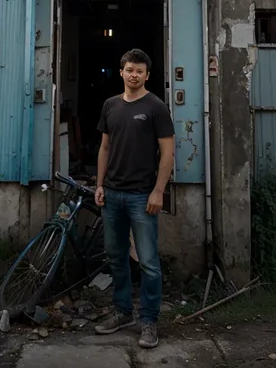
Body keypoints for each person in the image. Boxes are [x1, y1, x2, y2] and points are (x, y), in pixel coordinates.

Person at [94, 48, 175, 349]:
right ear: (121, 72)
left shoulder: (156, 107)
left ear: (147, 75)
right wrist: (99, 185)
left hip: (143, 196)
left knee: (149, 263)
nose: (134, 75)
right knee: (116, 258)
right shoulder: (111, 106)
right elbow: (104, 148)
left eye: (139, 71)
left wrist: (158, 191)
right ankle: (122, 312)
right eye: (129, 70)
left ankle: (149, 320)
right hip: (112, 194)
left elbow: (167, 153)